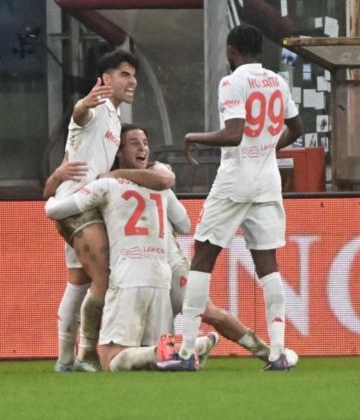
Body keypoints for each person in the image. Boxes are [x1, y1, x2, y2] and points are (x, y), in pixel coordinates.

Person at [157, 24, 303, 372]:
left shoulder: (232, 82)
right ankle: (279, 352)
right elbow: (297, 128)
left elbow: (234, 134)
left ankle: (187, 351)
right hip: (268, 181)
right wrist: (267, 147)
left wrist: (194, 136)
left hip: (236, 180)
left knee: (203, 256)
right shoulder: (278, 82)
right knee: (268, 264)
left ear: (231, 50)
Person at [45, 124, 218, 371]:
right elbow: (184, 224)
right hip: (161, 278)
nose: (143, 147)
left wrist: (54, 192)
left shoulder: (107, 183)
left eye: (145, 142)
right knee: (156, 361)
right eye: (135, 142)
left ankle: (185, 350)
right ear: (120, 150)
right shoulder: (160, 185)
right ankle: (191, 348)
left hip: (127, 277)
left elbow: (55, 211)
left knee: (110, 360)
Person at [44, 50, 174, 372]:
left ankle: (64, 360)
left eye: (133, 75)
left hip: (81, 203)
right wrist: (83, 103)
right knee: (105, 277)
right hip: (79, 206)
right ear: (104, 80)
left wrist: (56, 179)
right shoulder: (98, 107)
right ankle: (87, 355)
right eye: (124, 74)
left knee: (78, 282)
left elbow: (72, 154)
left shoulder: (115, 117)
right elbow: (79, 116)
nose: (132, 81)